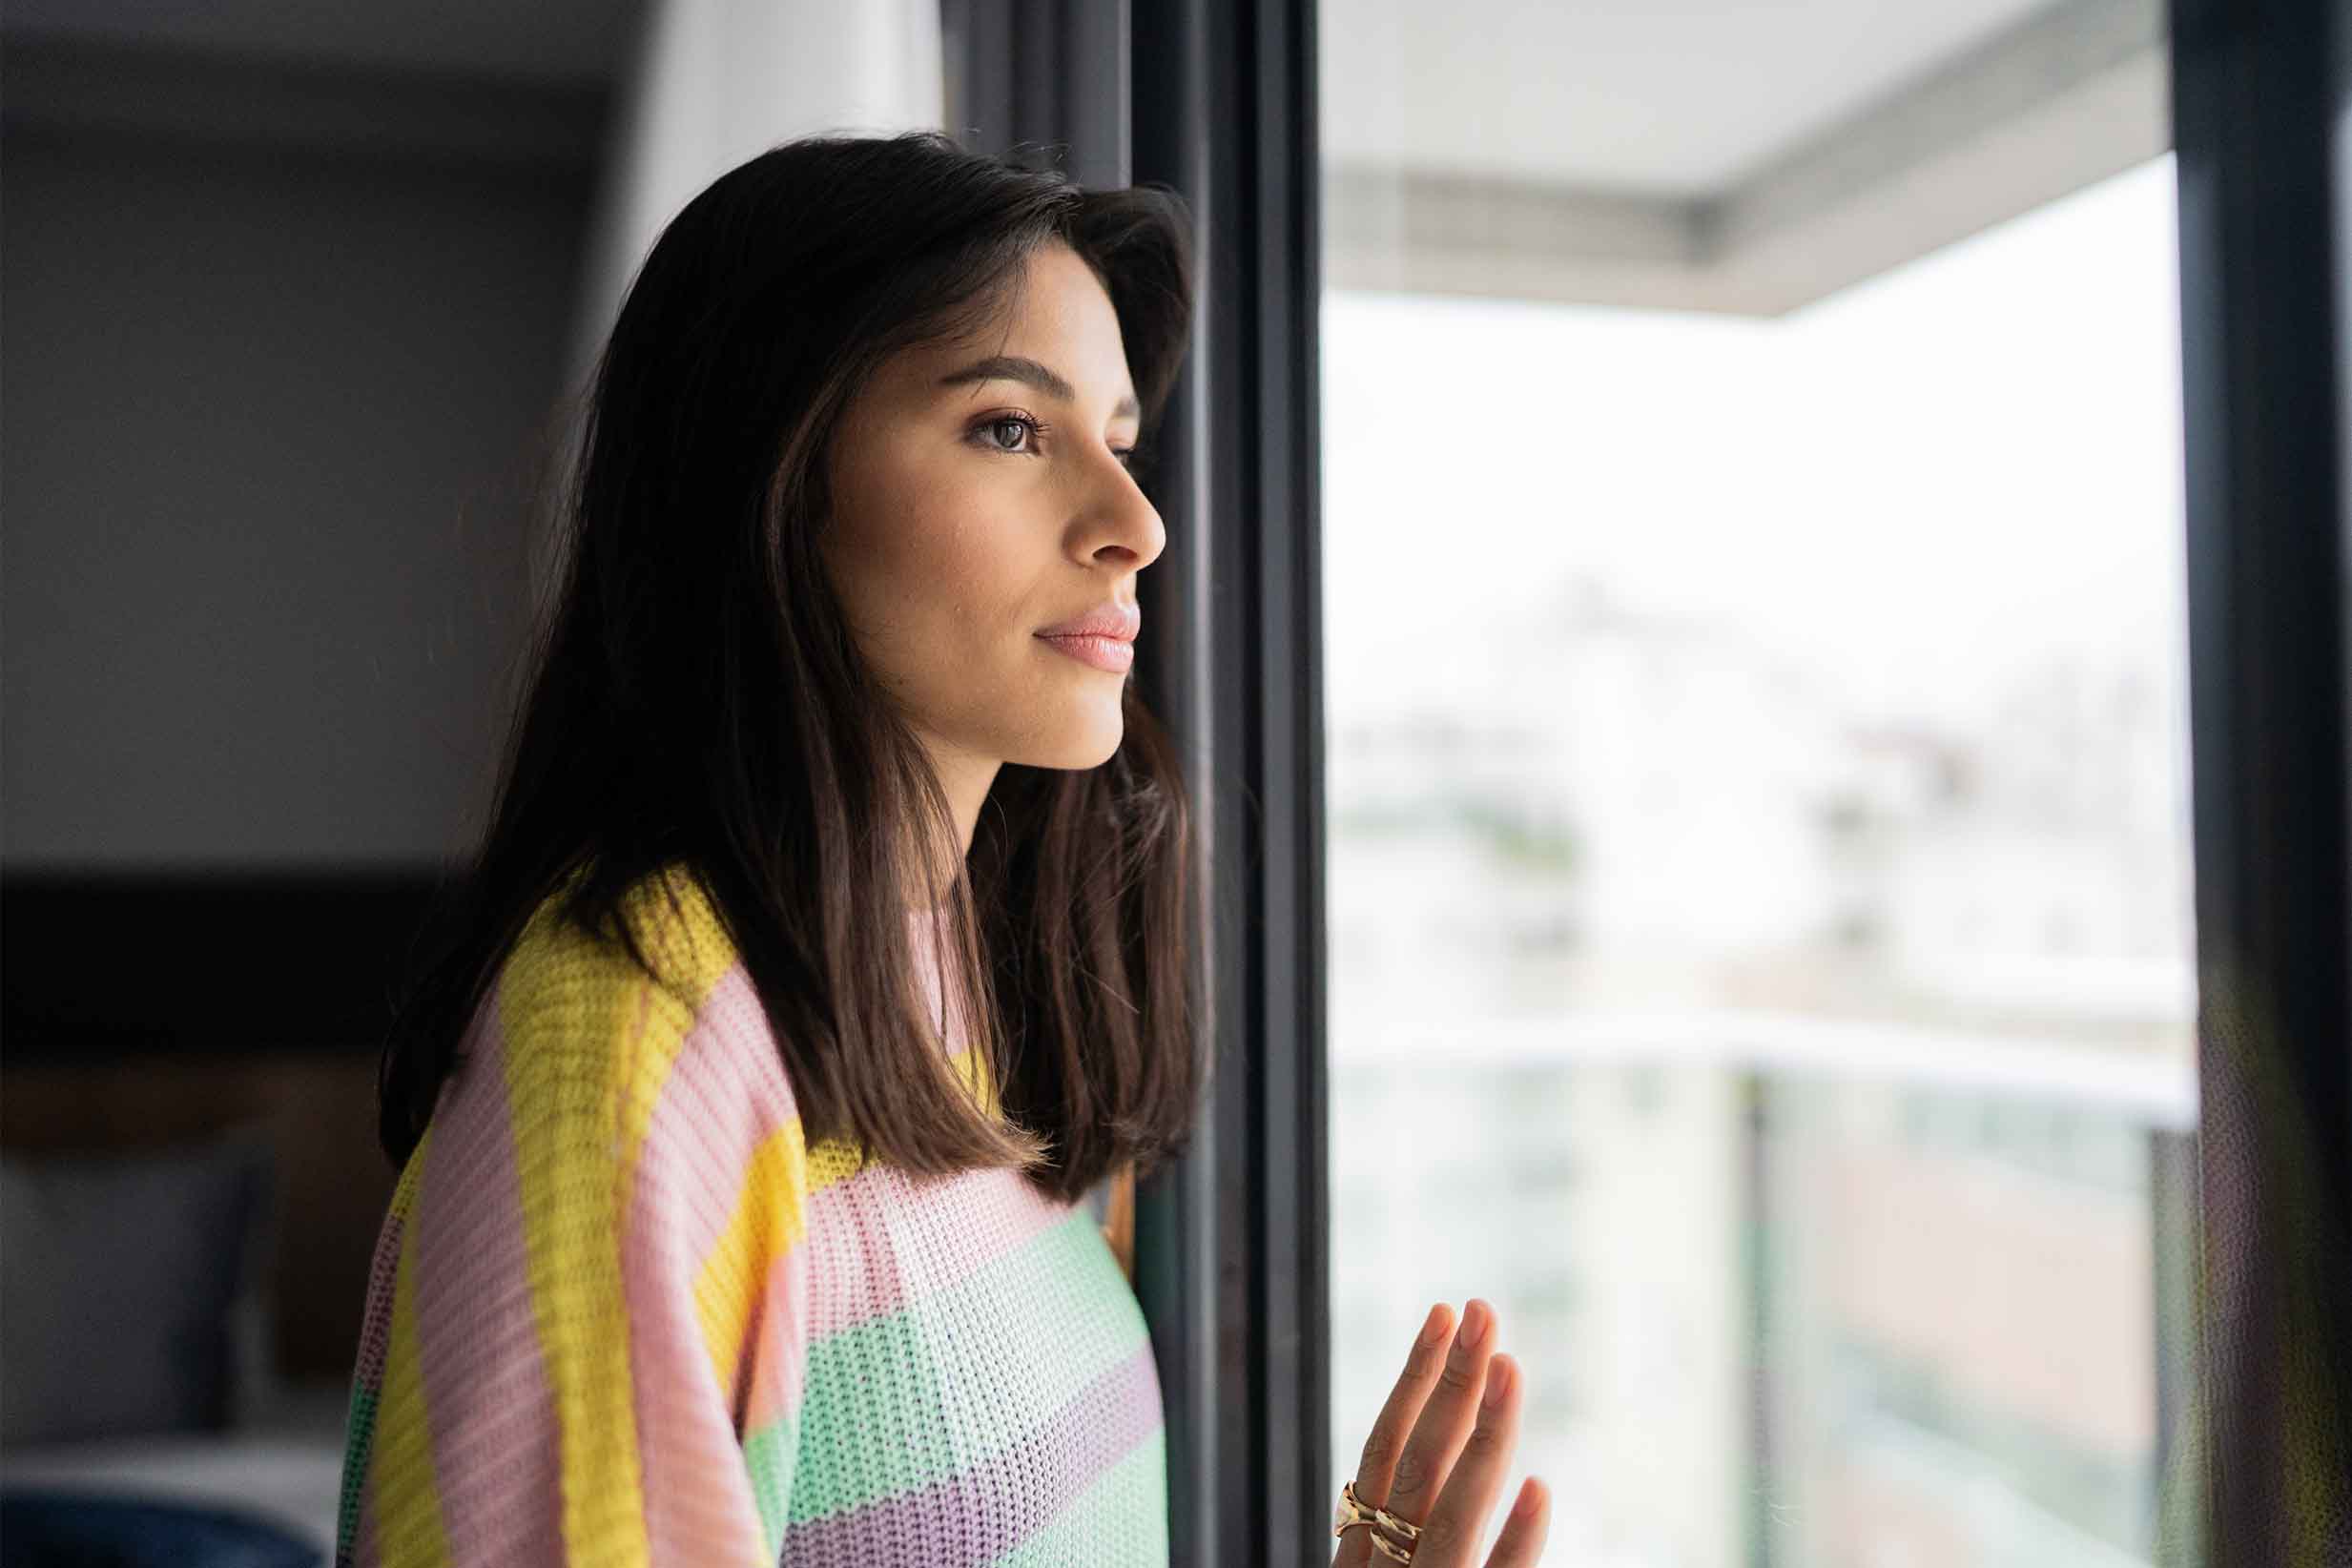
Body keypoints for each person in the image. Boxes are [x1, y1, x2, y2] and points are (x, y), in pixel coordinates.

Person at [332, 128, 1550, 1567]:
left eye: (1119, 441)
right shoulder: (640, 1037)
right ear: (771, 480)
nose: (1134, 524)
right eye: (1008, 429)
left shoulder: (993, 985)